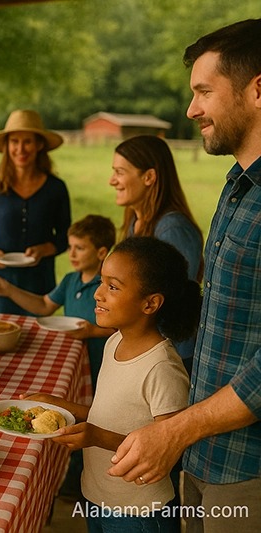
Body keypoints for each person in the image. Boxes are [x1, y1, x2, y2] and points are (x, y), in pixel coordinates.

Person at [107, 19, 261, 533]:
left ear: (258, 90)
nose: (192, 109)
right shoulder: (238, 184)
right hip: (204, 455)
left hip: (247, 470)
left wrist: (176, 431)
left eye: (204, 92)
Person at [25, 236, 201, 533]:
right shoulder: (115, 341)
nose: (98, 294)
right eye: (101, 282)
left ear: (151, 303)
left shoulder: (162, 368)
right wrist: (59, 404)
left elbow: (170, 448)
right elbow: (114, 414)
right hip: (98, 497)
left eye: (113, 287)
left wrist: (95, 437)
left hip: (141, 513)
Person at [0, 214, 116, 387]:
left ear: (101, 252)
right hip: (73, 363)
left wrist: (92, 331)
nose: (72, 254)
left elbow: (123, 329)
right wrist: (8, 290)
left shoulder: (109, 286)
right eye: (70, 247)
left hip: (102, 364)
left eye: (80, 248)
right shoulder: (71, 280)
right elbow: (44, 305)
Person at [109, 135, 204, 372]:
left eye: (120, 172)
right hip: (144, 350)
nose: (112, 180)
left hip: (169, 359)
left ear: (149, 177)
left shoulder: (175, 230)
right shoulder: (136, 222)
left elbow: (172, 306)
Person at [0, 109, 71, 315]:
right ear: (7, 146)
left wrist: (44, 249)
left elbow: (65, 237)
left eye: (28, 142)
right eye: (14, 141)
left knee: (37, 343)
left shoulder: (56, 188)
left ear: (39, 145)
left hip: (38, 285)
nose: (20, 149)